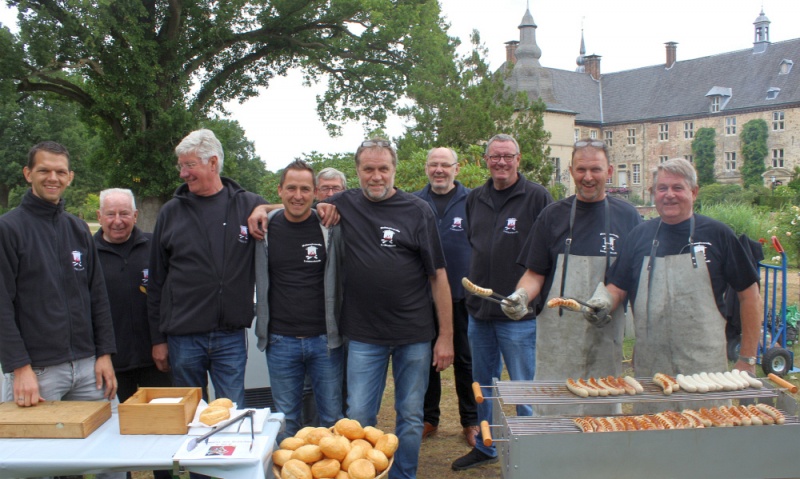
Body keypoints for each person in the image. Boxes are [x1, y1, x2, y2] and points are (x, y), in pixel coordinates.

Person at [284, 138, 453, 479]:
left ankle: (403, 474)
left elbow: (438, 277)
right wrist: (260, 210)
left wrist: (445, 337)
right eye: (369, 169)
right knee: (358, 416)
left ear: (394, 170)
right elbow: (295, 205)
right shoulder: (345, 202)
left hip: (413, 334)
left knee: (410, 416)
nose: (376, 176)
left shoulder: (418, 210)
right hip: (363, 335)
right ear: (358, 171)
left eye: (383, 169)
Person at [594, 158, 761, 411]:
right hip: (652, 369)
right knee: (653, 432)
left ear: (694, 192)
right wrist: (601, 301)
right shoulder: (639, 236)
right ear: (653, 193)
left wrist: (747, 358)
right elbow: (617, 287)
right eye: (662, 188)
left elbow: (749, 296)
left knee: (707, 430)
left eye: (677, 188)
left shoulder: (718, 234)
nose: (669, 195)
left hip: (705, 369)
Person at [0, 141, 123, 479]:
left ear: (70, 177)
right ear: (28, 174)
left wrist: (104, 354)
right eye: (44, 170)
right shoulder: (8, 229)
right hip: (37, 372)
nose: (52, 178)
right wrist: (19, 368)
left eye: (60, 171)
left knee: (112, 457)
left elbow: (97, 295)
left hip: (87, 368)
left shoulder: (77, 229)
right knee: (33, 465)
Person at [502, 140, 642, 416]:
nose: (588, 177)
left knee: (601, 418)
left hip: (605, 338)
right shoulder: (552, 216)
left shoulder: (628, 217)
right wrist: (521, 295)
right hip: (557, 341)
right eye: (581, 169)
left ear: (609, 171)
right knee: (553, 414)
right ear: (570, 171)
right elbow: (535, 273)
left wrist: (636, 332)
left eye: (595, 169)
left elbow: (632, 281)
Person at [452, 134, 553, 471]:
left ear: (518, 159)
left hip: (518, 314)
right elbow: (475, 242)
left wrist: (530, 298)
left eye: (507, 156)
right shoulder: (475, 198)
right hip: (479, 311)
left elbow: (548, 252)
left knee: (524, 386)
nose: (501, 162)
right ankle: (487, 446)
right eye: (495, 156)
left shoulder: (537, 197)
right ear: (486, 160)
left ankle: (532, 452)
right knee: (483, 386)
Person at [148, 129, 266, 408]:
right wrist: (158, 340)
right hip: (183, 338)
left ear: (213, 163)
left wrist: (265, 209)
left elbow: (289, 207)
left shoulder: (248, 204)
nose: (183, 174)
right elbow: (156, 281)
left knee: (232, 413)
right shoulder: (170, 212)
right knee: (189, 415)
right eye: (181, 166)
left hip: (230, 337)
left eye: (189, 165)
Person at [254, 160, 344, 441]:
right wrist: (261, 209)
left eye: (305, 189)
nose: (298, 195)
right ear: (279, 190)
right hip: (281, 341)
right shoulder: (265, 229)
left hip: (325, 340)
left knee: (331, 419)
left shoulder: (329, 227)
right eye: (291, 188)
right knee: (286, 421)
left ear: (315, 192)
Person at [94, 188, 172, 479]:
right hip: (112, 363)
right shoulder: (88, 254)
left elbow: (166, 298)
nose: (118, 220)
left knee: (163, 429)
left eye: (124, 213)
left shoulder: (154, 247)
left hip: (156, 358)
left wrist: (161, 341)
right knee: (115, 435)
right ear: (99, 216)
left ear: (135, 215)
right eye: (111, 214)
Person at [413, 147, 479, 447]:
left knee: (466, 361)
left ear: (457, 168)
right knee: (426, 360)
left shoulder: (473, 201)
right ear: (426, 168)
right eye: (433, 164)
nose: (439, 170)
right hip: (423, 297)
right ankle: (429, 418)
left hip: (464, 296)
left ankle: (471, 420)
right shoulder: (414, 202)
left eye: (445, 165)